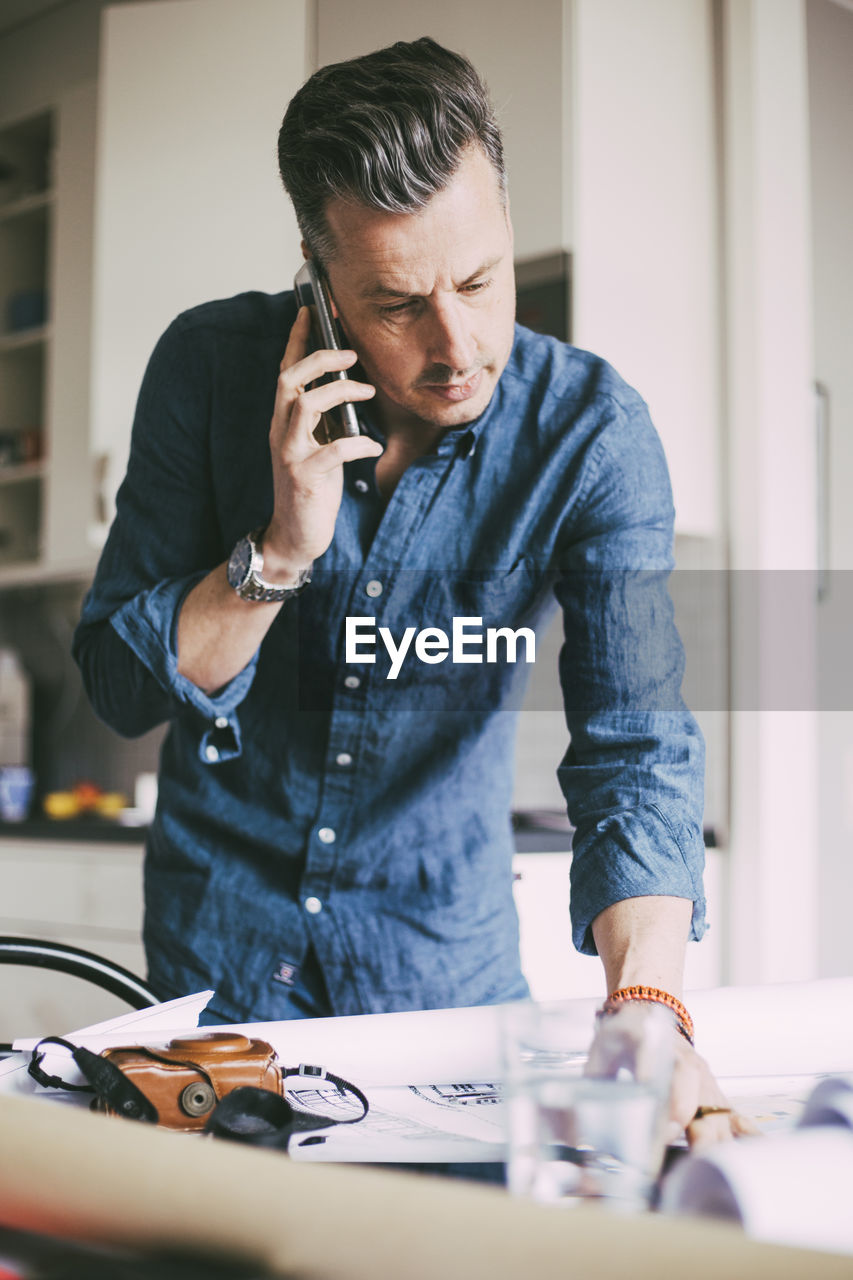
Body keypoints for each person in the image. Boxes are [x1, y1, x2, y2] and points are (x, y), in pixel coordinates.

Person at [74, 37, 739, 1144]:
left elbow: (637, 744)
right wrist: (279, 549)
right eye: (393, 303)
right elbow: (118, 687)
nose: (455, 346)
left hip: (447, 981)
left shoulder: (588, 434)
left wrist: (649, 1007)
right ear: (317, 276)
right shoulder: (202, 367)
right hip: (219, 975)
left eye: (479, 281)